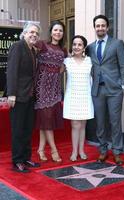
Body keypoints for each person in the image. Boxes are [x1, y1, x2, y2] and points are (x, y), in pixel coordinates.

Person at [87, 15, 124, 165]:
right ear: (95, 28)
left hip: (114, 90)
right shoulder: (90, 47)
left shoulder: (117, 43)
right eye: (97, 26)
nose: (100, 28)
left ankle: (117, 151)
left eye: (103, 25)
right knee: (100, 123)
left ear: (107, 27)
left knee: (115, 122)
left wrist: (123, 85)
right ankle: (103, 150)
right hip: (97, 90)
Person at [7, 22, 41, 173]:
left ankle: (26, 158)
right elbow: (12, 71)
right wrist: (12, 94)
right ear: (24, 33)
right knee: (18, 129)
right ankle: (17, 161)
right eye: (31, 32)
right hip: (19, 96)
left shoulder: (33, 50)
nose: (34, 35)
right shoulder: (18, 46)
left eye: (36, 33)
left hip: (30, 96)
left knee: (27, 129)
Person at [34, 20, 66, 162]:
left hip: (55, 90)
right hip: (41, 88)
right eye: (55, 30)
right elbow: (28, 50)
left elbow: (65, 66)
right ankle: (54, 150)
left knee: (45, 121)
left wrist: (63, 68)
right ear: (51, 31)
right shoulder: (42, 44)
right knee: (46, 120)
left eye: (60, 30)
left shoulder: (64, 51)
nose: (58, 32)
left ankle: (40, 150)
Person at [63, 35, 94, 161]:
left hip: (85, 95)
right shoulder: (67, 61)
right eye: (74, 44)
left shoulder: (90, 61)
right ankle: (74, 151)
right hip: (72, 96)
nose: (76, 47)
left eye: (79, 44)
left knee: (83, 124)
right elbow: (54, 73)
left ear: (84, 47)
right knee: (75, 125)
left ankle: (82, 150)